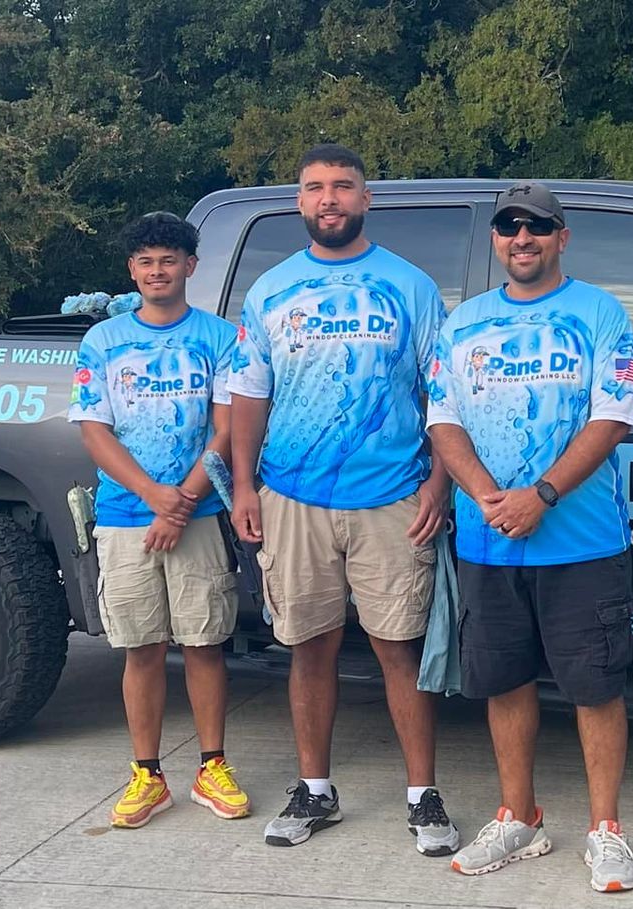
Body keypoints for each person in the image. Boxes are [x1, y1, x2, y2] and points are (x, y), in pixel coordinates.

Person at [228, 143, 458, 856]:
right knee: (310, 647)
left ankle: (424, 797)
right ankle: (315, 789)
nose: (329, 198)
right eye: (315, 188)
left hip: (393, 495)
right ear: (299, 202)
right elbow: (248, 395)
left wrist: (439, 483)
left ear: (367, 200)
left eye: (343, 187)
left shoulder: (412, 287)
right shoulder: (269, 291)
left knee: (400, 648)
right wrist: (243, 483)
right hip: (292, 493)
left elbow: (445, 393)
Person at [426, 181, 633, 893]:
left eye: (538, 226)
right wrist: (488, 496)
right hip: (490, 542)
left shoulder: (601, 313)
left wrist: (542, 494)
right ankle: (518, 816)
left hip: (581, 542)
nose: (523, 237)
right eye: (509, 226)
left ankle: (605, 829)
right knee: (504, 681)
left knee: (595, 687)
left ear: (561, 236)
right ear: (495, 238)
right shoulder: (463, 325)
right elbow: (443, 420)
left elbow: (612, 417)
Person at [69, 211, 250, 829]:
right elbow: (95, 429)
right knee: (141, 647)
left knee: (204, 642)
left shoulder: (220, 337)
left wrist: (183, 502)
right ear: (131, 270)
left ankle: (211, 767)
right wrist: (155, 496)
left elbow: (228, 428)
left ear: (191, 267)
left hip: (197, 515)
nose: (157, 271)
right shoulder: (104, 341)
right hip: (126, 517)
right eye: (145, 261)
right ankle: (146, 774)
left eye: (169, 260)